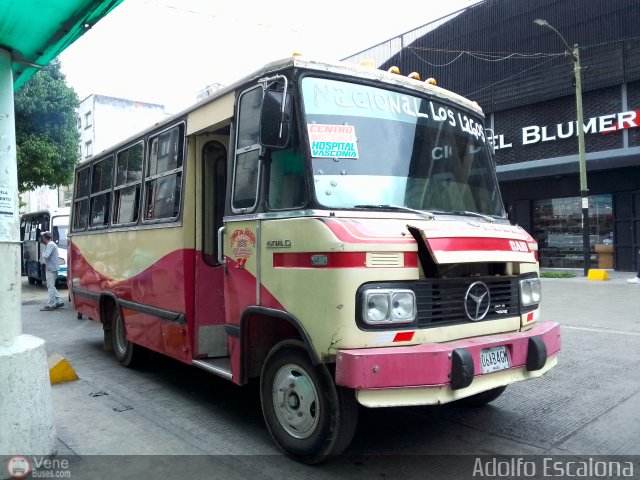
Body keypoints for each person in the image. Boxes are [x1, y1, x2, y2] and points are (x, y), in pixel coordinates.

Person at [40, 231, 64, 310]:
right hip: (54, 267)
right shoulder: (53, 244)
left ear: (44, 238)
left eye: (42, 237)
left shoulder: (50, 245)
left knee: (50, 287)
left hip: (51, 268)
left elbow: (46, 256)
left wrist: (42, 254)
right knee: (52, 286)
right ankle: (59, 301)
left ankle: (51, 304)